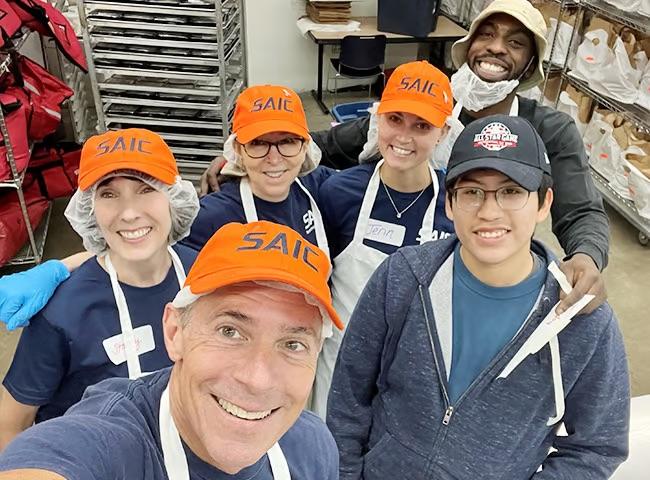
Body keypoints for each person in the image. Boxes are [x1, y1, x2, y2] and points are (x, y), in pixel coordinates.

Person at [201, 0, 609, 316]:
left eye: (516, 43)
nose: (497, 48)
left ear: (530, 65)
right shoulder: (423, 100)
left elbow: (582, 209)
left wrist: (586, 257)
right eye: (486, 35)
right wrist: (253, 153)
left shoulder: (550, 131)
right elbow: (333, 141)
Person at [327, 115, 629, 479]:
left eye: (512, 191)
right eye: (471, 192)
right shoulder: (403, 277)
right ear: (450, 204)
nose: (489, 212)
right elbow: (349, 393)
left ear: (544, 203)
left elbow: (597, 446)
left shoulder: (580, 319)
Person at [0, 221, 342, 479]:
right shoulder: (112, 443)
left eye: (293, 344)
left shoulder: (313, 446)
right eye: (230, 331)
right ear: (175, 331)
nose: (257, 379)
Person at [0, 84, 335, 331]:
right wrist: (59, 270)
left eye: (288, 142)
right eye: (258, 143)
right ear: (237, 151)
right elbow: (146, 247)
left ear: (305, 147)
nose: (274, 157)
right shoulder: (215, 215)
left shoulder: (319, 189)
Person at [0, 128, 200, 450]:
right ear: (89, 208)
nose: (130, 212)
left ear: (173, 197)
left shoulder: (203, 278)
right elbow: (10, 424)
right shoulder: (63, 312)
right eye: (108, 194)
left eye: (146, 188)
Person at [312, 61, 455, 416]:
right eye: (395, 119)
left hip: (414, 374)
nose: (404, 137)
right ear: (377, 119)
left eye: (422, 126)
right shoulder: (341, 192)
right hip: (339, 366)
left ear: (443, 133)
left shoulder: (455, 205)